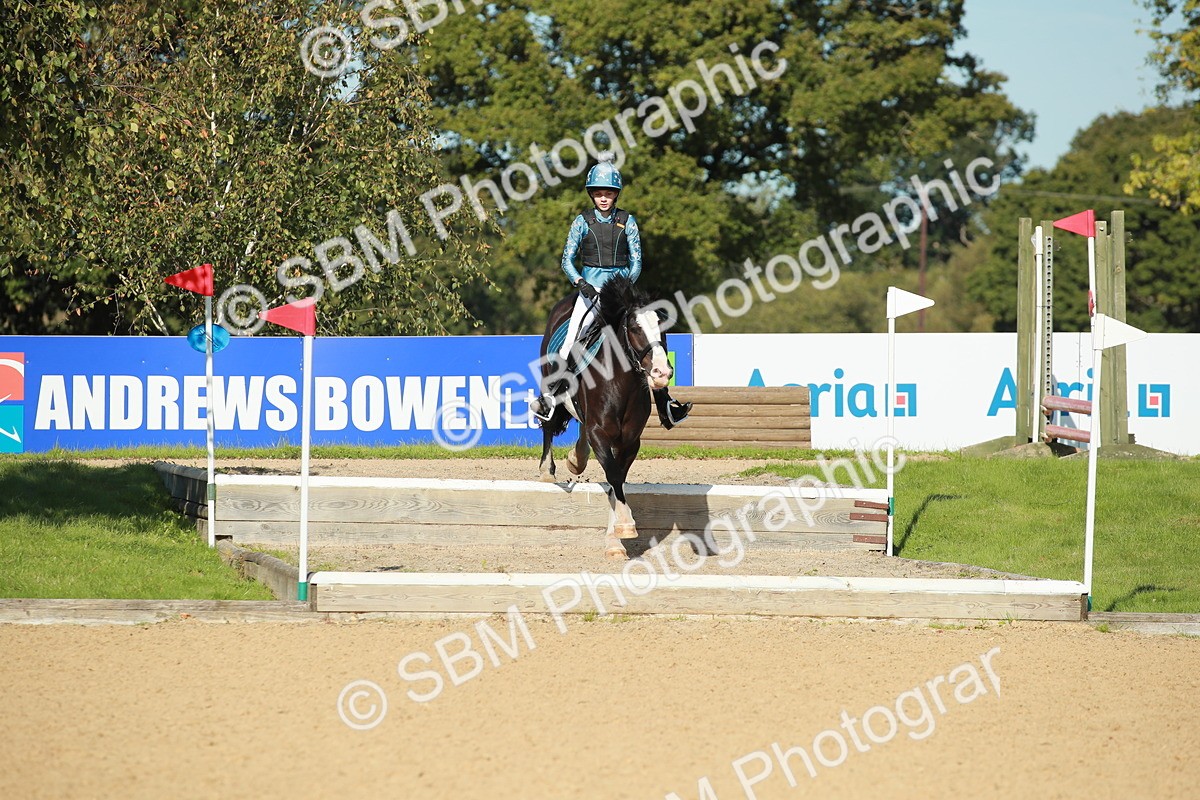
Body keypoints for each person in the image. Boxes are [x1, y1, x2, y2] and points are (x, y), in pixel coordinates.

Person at [530, 156, 692, 429]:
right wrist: (581, 283)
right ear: (592, 195)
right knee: (570, 341)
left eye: (608, 193)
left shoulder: (628, 221)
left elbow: (637, 262)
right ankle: (552, 397)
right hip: (589, 293)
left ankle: (665, 403)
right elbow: (566, 260)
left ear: (615, 195)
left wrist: (623, 288)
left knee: (650, 337)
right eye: (598, 193)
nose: (603, 198)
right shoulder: (582, 222)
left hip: (621, 294)